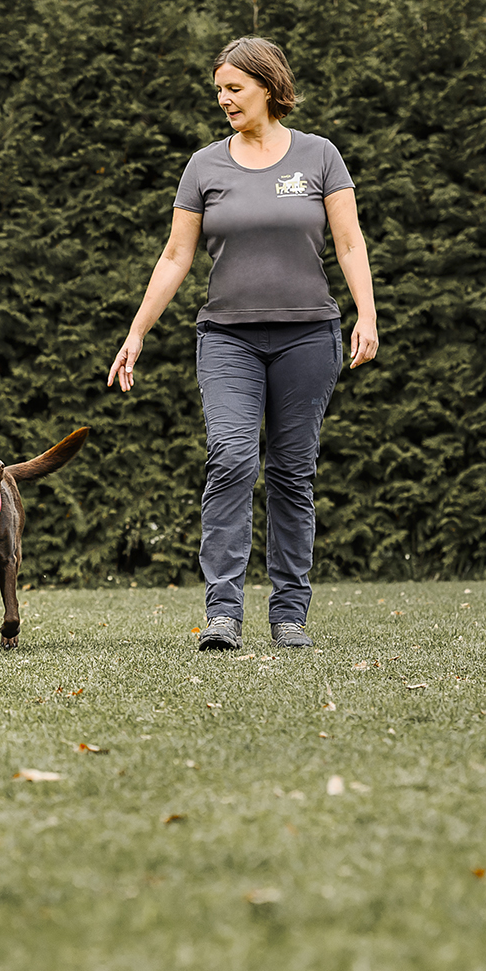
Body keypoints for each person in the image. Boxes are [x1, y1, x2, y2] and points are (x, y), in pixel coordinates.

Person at [106, 37, 377, 651]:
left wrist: (367, 311)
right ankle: (223, 613)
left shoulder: (320, 156)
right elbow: (176, 255)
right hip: (227, 337)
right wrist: (136, 331)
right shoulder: (205, 165)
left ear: (268, 86)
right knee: (231, 458)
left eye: (235, 88)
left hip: (309, 335)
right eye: (219, 90)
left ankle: (289, 617)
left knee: (291, 473)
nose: (224, 100)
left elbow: (350, 242)